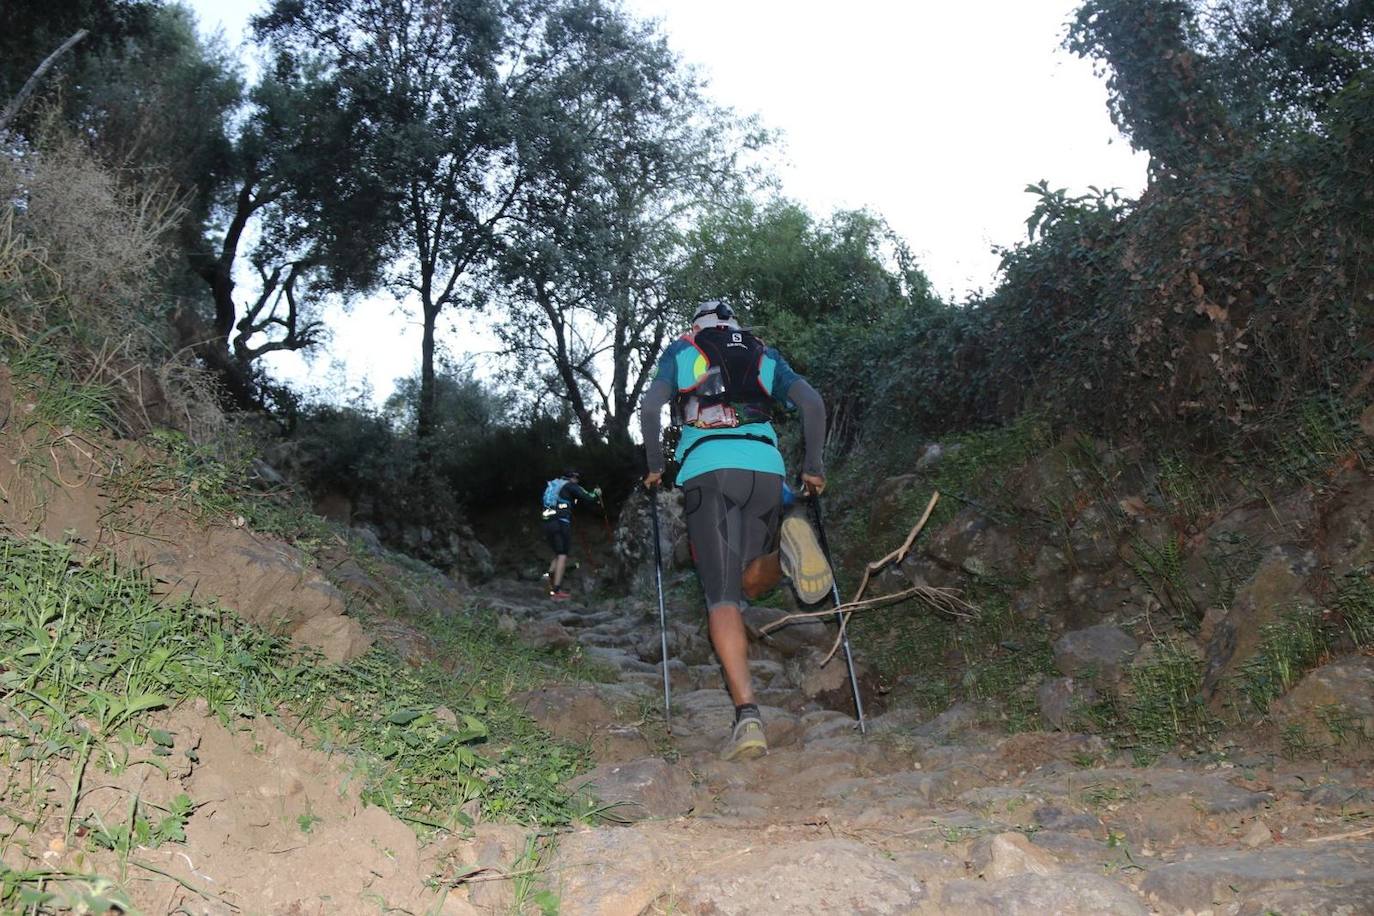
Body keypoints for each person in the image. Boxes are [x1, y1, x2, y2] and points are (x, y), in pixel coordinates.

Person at [640, 300, 827, 760]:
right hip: (766, 472)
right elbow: (812, 403)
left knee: (722, 597)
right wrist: (814, 468)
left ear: (696, 324)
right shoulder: (764, 353)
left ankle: (748, 718)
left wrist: (653, 466)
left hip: (710, 473)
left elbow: (650, 407)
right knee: (749, 581)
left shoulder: (685, 348)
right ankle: (785, 554)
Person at [541, 470, 601, 600]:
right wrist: (596, 493)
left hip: (547, 523)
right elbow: (588, 497)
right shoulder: (570, 485)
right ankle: (556, 591)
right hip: (561, 523)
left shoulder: (553, 485)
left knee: (558, 553)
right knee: (563, 555)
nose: (577, 481)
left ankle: (548, 578)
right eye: (577, 479)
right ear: (572, 478)